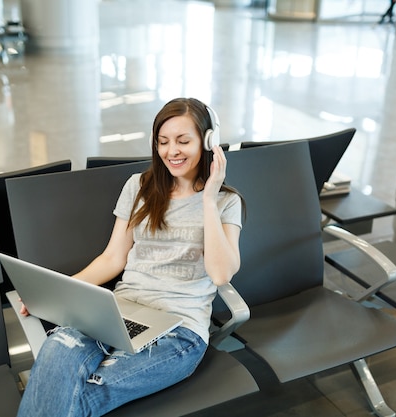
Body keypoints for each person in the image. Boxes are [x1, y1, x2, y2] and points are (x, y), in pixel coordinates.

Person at [17, 97, 244, 417]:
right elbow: (112, 258)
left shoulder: (225, 202)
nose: (172, 151)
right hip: (115, 313)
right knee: (57, 351)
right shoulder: (139, 186)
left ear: (208, 142)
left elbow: (221, 275)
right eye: (163, 142)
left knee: (77, 394)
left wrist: (208, 199)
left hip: (179, 332)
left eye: (183, 141)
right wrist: (53, 294)